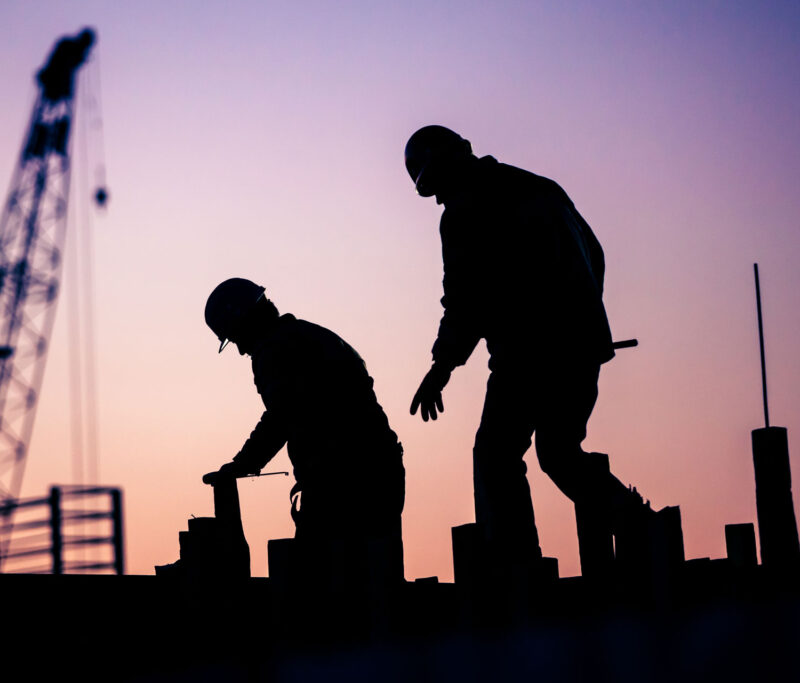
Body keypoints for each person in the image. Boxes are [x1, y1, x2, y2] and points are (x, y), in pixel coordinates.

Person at [404, 125, 649, 565]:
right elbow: (595, 254)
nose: (439, 200)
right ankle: (640, 526)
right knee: (558, 452)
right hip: (581, 346)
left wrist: (441, 368)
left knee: (496, 456)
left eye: (436, 189)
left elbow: (465, 299)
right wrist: (586, 324)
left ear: (443, 170)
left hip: (529, 353)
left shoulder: (465, 210)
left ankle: (516, 568)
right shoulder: (540, 187)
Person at [203, 278, 405, 579]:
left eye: (235, 338)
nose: (241, 350)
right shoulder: (313, 336)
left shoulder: (274, 350)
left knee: (319, 588)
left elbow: (281, 417)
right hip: (380, 474)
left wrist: (243, 464)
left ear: (244, 322)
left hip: (342, 485)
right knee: (377, 585)